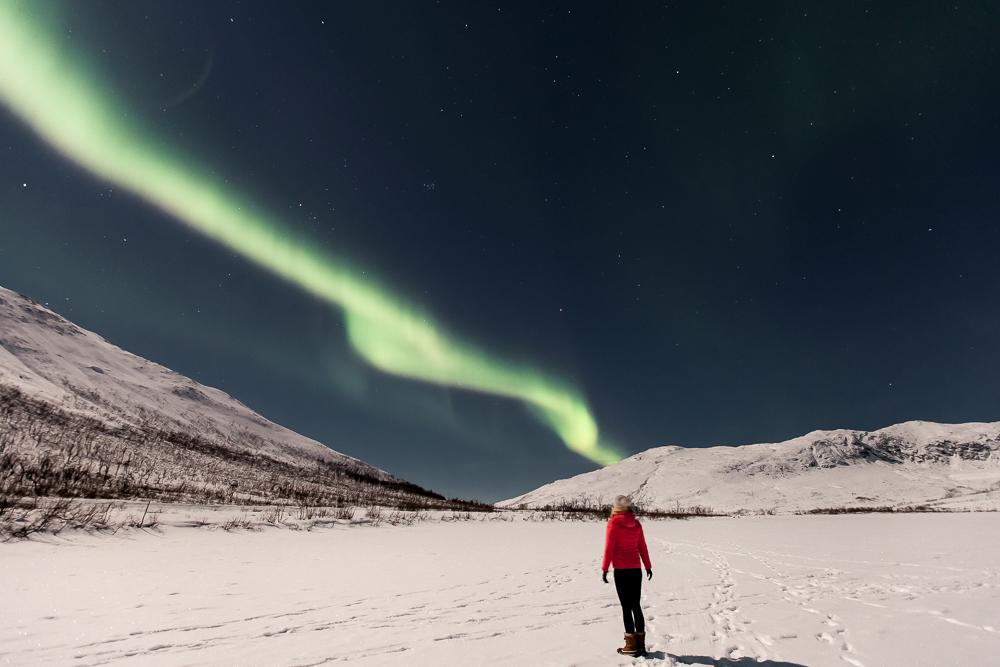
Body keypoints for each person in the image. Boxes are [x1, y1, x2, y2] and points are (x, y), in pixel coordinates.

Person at [601, 495, 652, 656]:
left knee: (626, 607)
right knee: (636, 605)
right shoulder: (636, 524)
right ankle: (641, 645)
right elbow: (642, 547)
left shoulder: (613, 523)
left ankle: (631, 646)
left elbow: (609, 548)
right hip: (636, 570)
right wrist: (648, 566)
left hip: (621, 571)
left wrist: (605, 569)